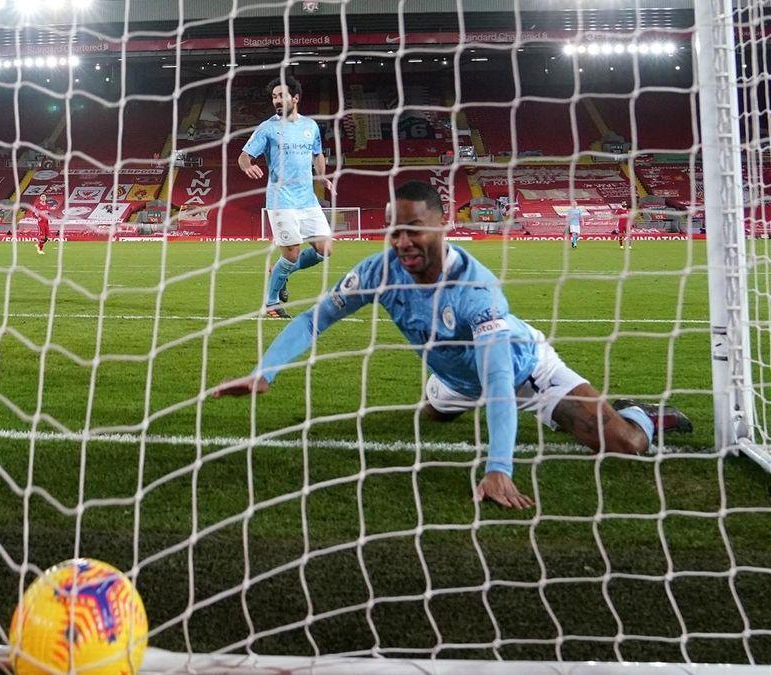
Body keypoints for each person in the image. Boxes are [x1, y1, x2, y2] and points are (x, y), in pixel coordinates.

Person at [213, 181, 693, 510]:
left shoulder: (474, 291)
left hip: (526, 373)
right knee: (432, 418)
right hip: (452, 379)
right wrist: (266, 370)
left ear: (442, 227)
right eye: (394, 229)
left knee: (624, 447)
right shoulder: (378, 272)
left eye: (414, 228)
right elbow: (315, 319)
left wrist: (499, 467)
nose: (402, 241)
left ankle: (643, 415)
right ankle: (443, 395)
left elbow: (501, 382)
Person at [238, 75, 333, 318]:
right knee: (291, 252)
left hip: (307, 200)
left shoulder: (310, 126)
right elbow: (244, 156)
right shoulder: (267, 128)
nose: (277, 101)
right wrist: (247, 166)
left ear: (296, 98)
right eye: (274, 97)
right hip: (281, 199)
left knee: (325, 249)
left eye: (282, 96)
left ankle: (281, 272)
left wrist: (322, 177)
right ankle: (271, 303)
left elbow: (318, 154)